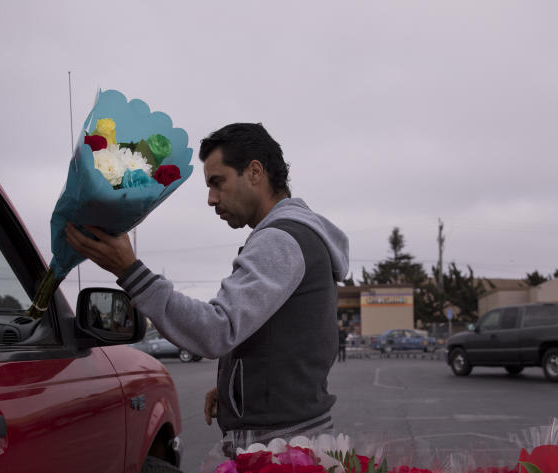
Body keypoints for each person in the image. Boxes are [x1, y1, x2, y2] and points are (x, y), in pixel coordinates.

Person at [65, 122, 350, 450]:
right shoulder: (293, 237)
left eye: (218, 183)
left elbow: (218, 329)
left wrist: (131, 272)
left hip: (279, 447)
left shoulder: (280, 241)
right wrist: (238, 389)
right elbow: (290, 340)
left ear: (255, 172)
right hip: (292, 434)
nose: (211, 199)